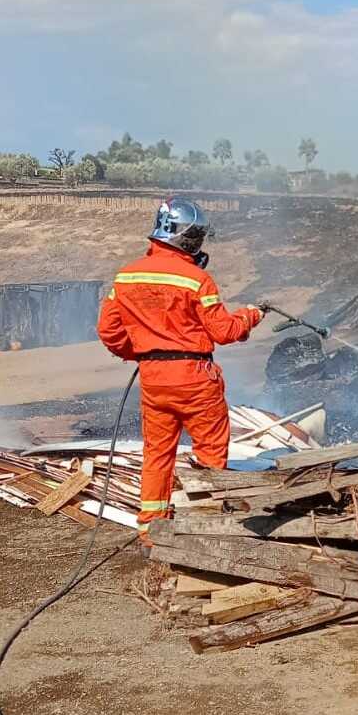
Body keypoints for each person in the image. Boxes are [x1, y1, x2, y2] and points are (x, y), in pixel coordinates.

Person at [97, 197, 264, 551]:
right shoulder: (197, 280)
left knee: (157, 453)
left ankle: (150, 532)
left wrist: (144, 353)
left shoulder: (126, 276)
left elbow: (109, 331)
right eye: (195, 236)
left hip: (154, 380)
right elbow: (224, 332)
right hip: (196, 378)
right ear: (183, 237)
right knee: (210, 452)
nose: (197, 243)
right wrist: (251, 315)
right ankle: (203, 524)